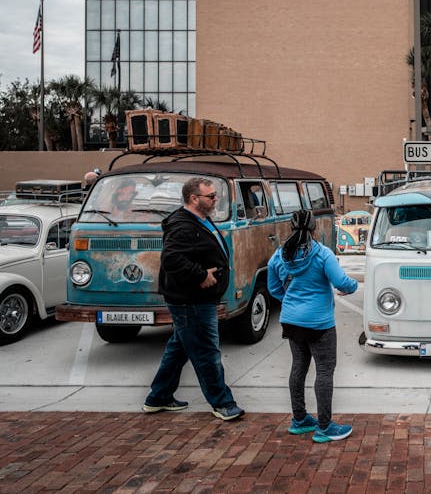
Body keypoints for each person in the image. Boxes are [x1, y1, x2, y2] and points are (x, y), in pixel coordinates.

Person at [144, 177, 245, 421]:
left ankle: (158, 397)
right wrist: (200, 275)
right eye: (210, 196)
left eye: (214, 195)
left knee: (179, 349)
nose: (215, 199)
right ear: (194, 199)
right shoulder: (183, 225)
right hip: (192, 301)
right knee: (207, 353)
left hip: (197, 300)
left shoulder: (198, 219)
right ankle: (222, 403)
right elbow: (171, 260)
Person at [268, 209, 358, 443]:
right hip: (319, 323)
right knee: (325, 371)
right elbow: (341, 282)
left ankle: (299, 420)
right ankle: (325, 426)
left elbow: (274, 288)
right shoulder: (322, 254)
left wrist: (292, 301)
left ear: (290, 227)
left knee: (298, 367)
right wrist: (352, 286)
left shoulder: (279, 255)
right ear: (314, 228)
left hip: (291, 320)